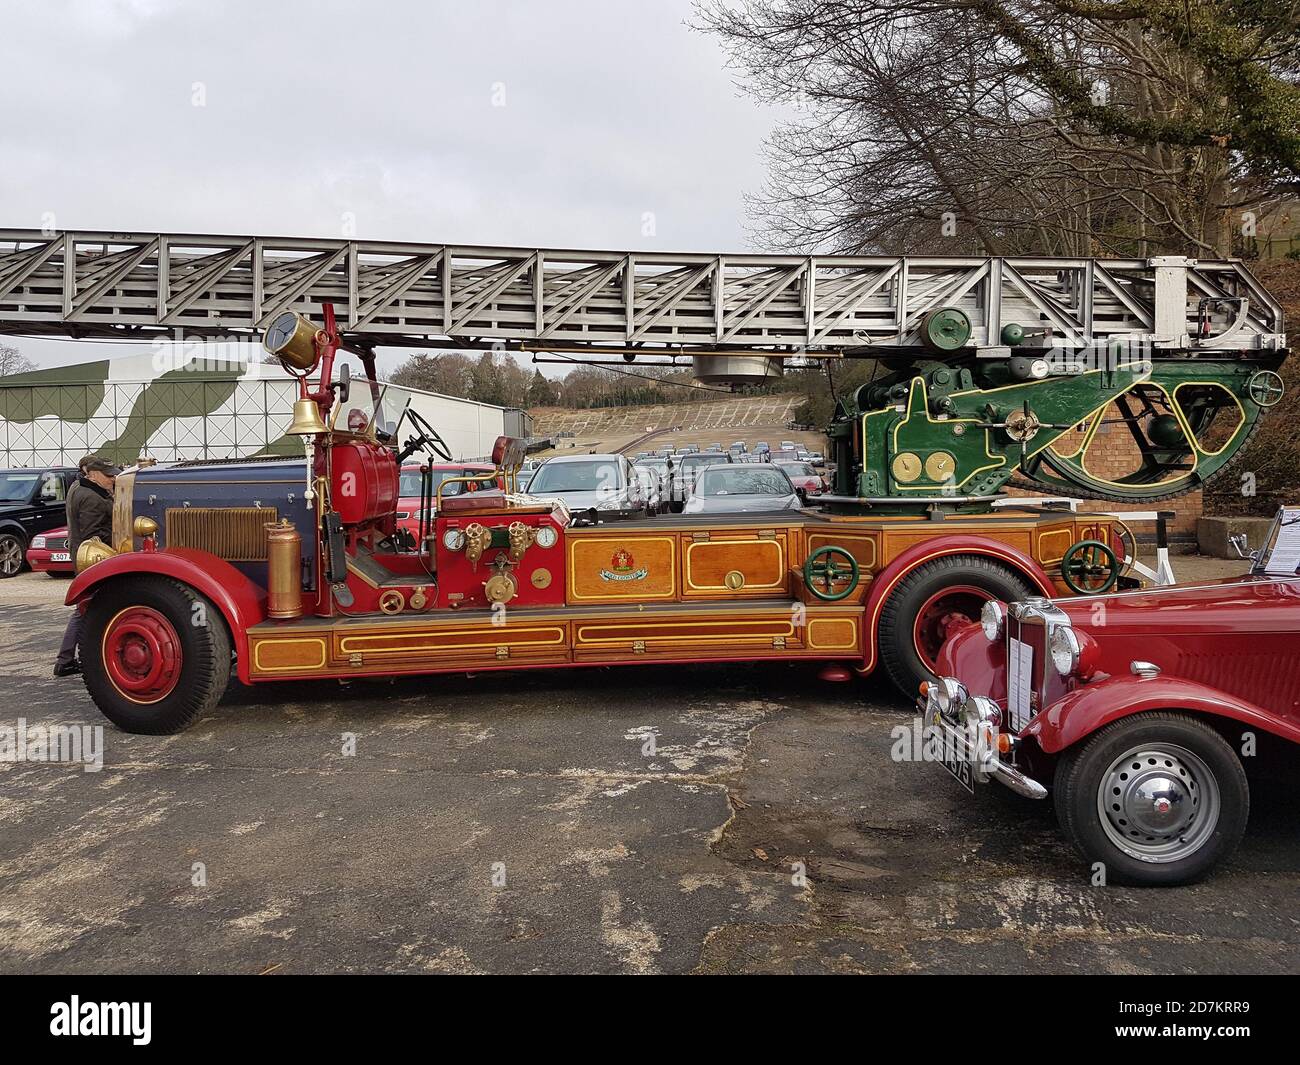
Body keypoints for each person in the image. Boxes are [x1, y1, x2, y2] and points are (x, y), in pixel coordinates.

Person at [54, 456, 120, 677]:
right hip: (92, 559)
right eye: (108, 475)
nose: (113, 478)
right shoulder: (92, 498)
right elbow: (94, 536)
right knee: (85, 609)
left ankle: (69, 658)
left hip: (82, 555)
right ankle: (65, 660)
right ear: (91, 473)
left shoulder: (77, 486)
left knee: (86, 608)